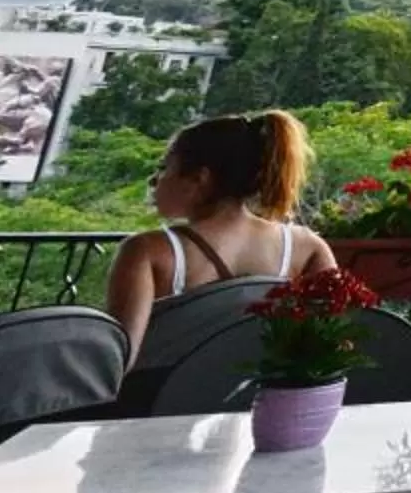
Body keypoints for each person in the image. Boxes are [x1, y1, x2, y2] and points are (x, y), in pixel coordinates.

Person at [104, 110, 339, 364]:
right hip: (258, 398)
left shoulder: (146, 251)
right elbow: (331, 347)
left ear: (199, 179)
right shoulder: (307, 247)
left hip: (160, 401)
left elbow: (117, 362)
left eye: (164, 168)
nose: (154, 180)